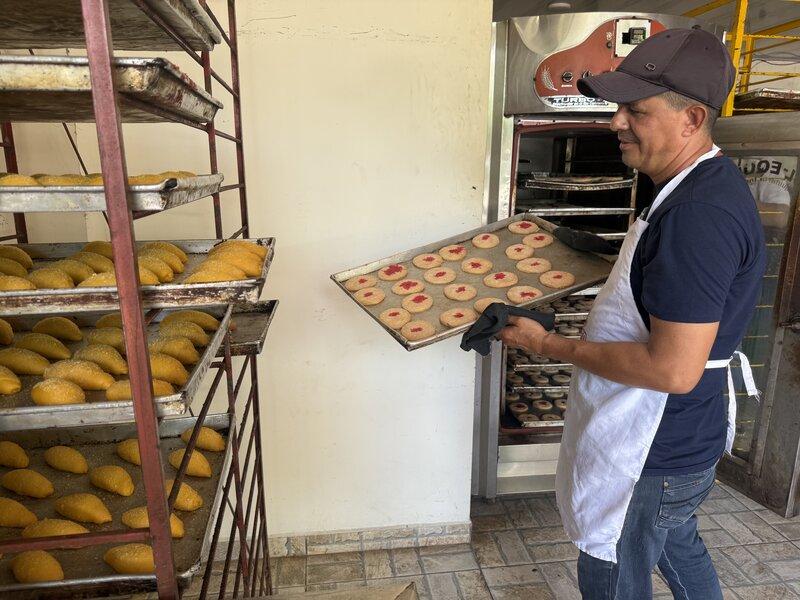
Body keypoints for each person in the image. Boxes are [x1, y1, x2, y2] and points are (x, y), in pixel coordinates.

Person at [498, 28, 766, 600]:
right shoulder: (687, 182)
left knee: (614, 572)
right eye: (619, 107)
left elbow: (673, 370)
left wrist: (545, 346)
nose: (617, 122)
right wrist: (574, 245)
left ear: (692, 118)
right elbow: (659, 277)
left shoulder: (698, 215)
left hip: (653, 445)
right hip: (678, 437)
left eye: (635, 110)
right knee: (674, 543)